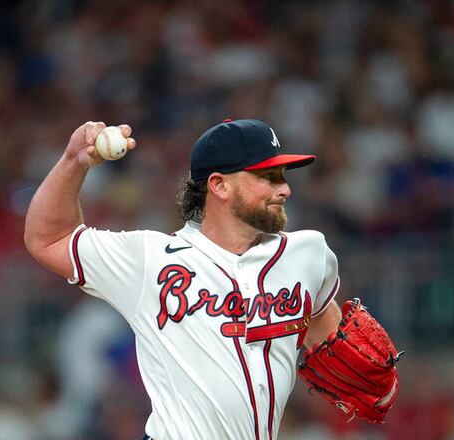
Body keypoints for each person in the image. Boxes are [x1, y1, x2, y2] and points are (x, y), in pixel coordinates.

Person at [25, 119, 343, 440]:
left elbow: (327, 335)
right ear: (219, 186)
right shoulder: (150, 259)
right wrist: (73, 162)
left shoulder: (307, 254)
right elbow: (49, 239)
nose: (285, 189)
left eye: (282, 176)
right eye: (268, 177)